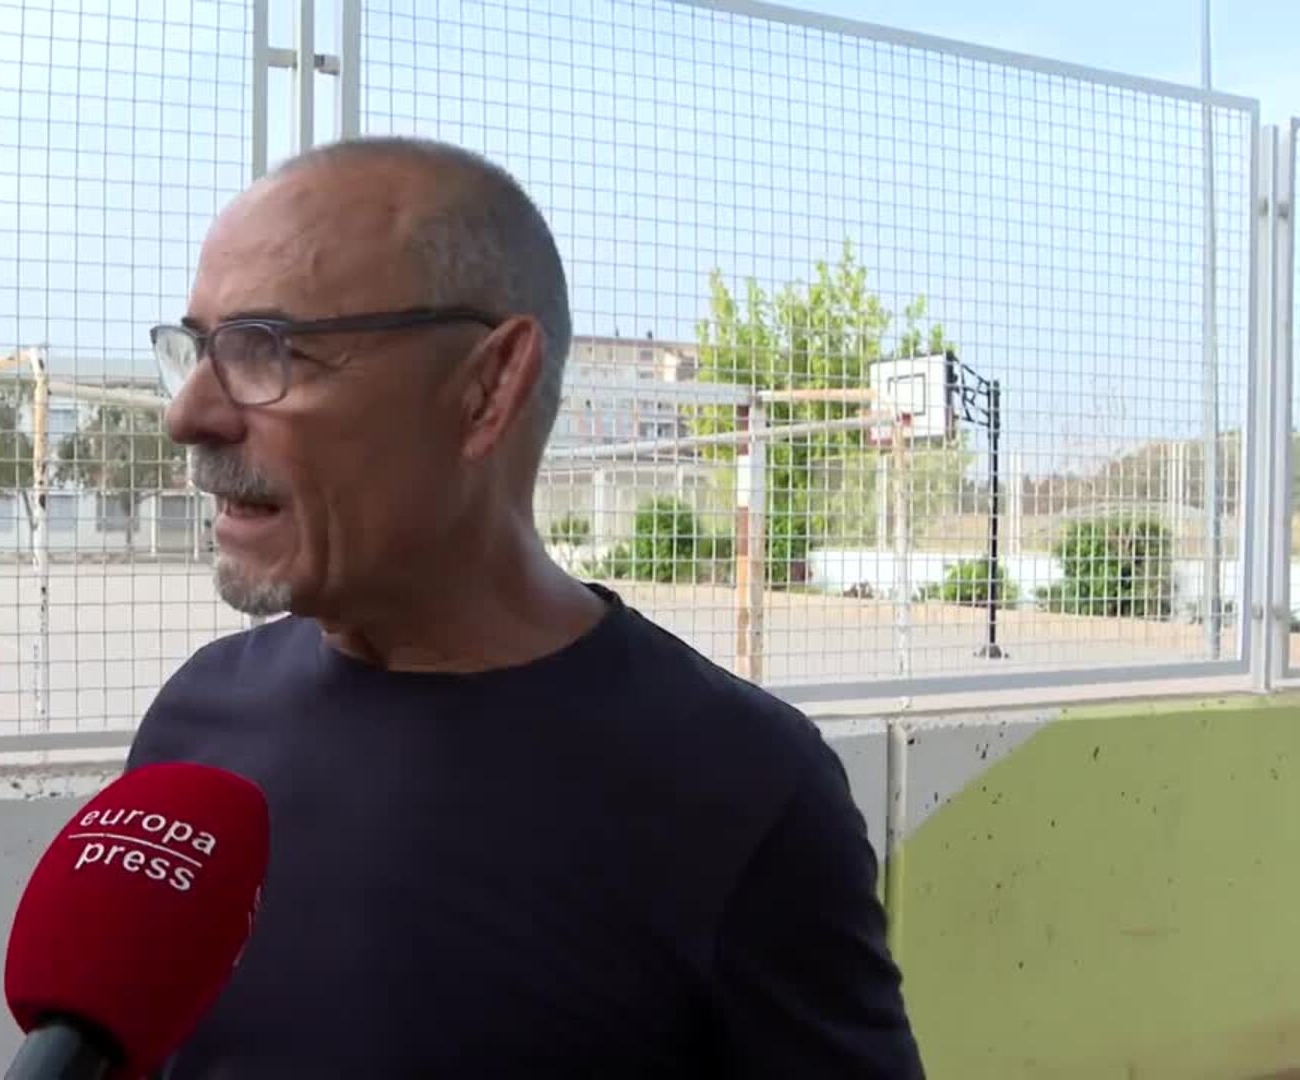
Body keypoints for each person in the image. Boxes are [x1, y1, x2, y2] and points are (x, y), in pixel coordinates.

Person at [126, 136, 924, 1078]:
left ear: (487, 387)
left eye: (265, 349)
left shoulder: (739, 790)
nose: (188, 414)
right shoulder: (195, 727)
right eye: (197, 349)